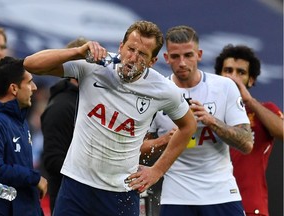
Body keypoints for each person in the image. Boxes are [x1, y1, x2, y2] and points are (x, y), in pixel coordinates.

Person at [23, 20, 197, 216]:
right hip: (76, 186)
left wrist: (157, 171)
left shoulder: (163, 90)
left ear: (152, 62)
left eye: (142, 55)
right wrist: (78, 52)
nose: (133, 58)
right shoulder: (94, 66)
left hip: (120, 193)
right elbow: (31, 64)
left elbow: (189, 126)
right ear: (121, 47)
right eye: (131, 49)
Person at [142, 25, 254, 216]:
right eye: (176, 57)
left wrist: (212, 121)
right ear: (166, 58)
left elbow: (246, 143)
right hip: (176, 194)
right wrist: (165, 140)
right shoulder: (156, 92)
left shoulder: (224, 87)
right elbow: (139, 149)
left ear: (199, 55)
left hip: (220, 192)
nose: (182, 63)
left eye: (188, 55)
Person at [214, 44, 284, 216]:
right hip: (211, 203)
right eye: (228, 70)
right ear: (219, 75)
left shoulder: (264, 110)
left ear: (251, 80)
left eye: (241, 72)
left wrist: (250, 101)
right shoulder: (207, 111)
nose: (234, 77)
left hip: (251, 206)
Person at [41, 37, 88, 214]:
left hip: (88, 199)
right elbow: (53, 160)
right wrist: (93, 169)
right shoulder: (61, 107)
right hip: (69, 202)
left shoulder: (89, 102)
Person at [0, 56, 48, 215]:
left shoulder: (21, 122)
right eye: (29, 82)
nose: (34, 88)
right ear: (14, 88)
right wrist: (35, 178)